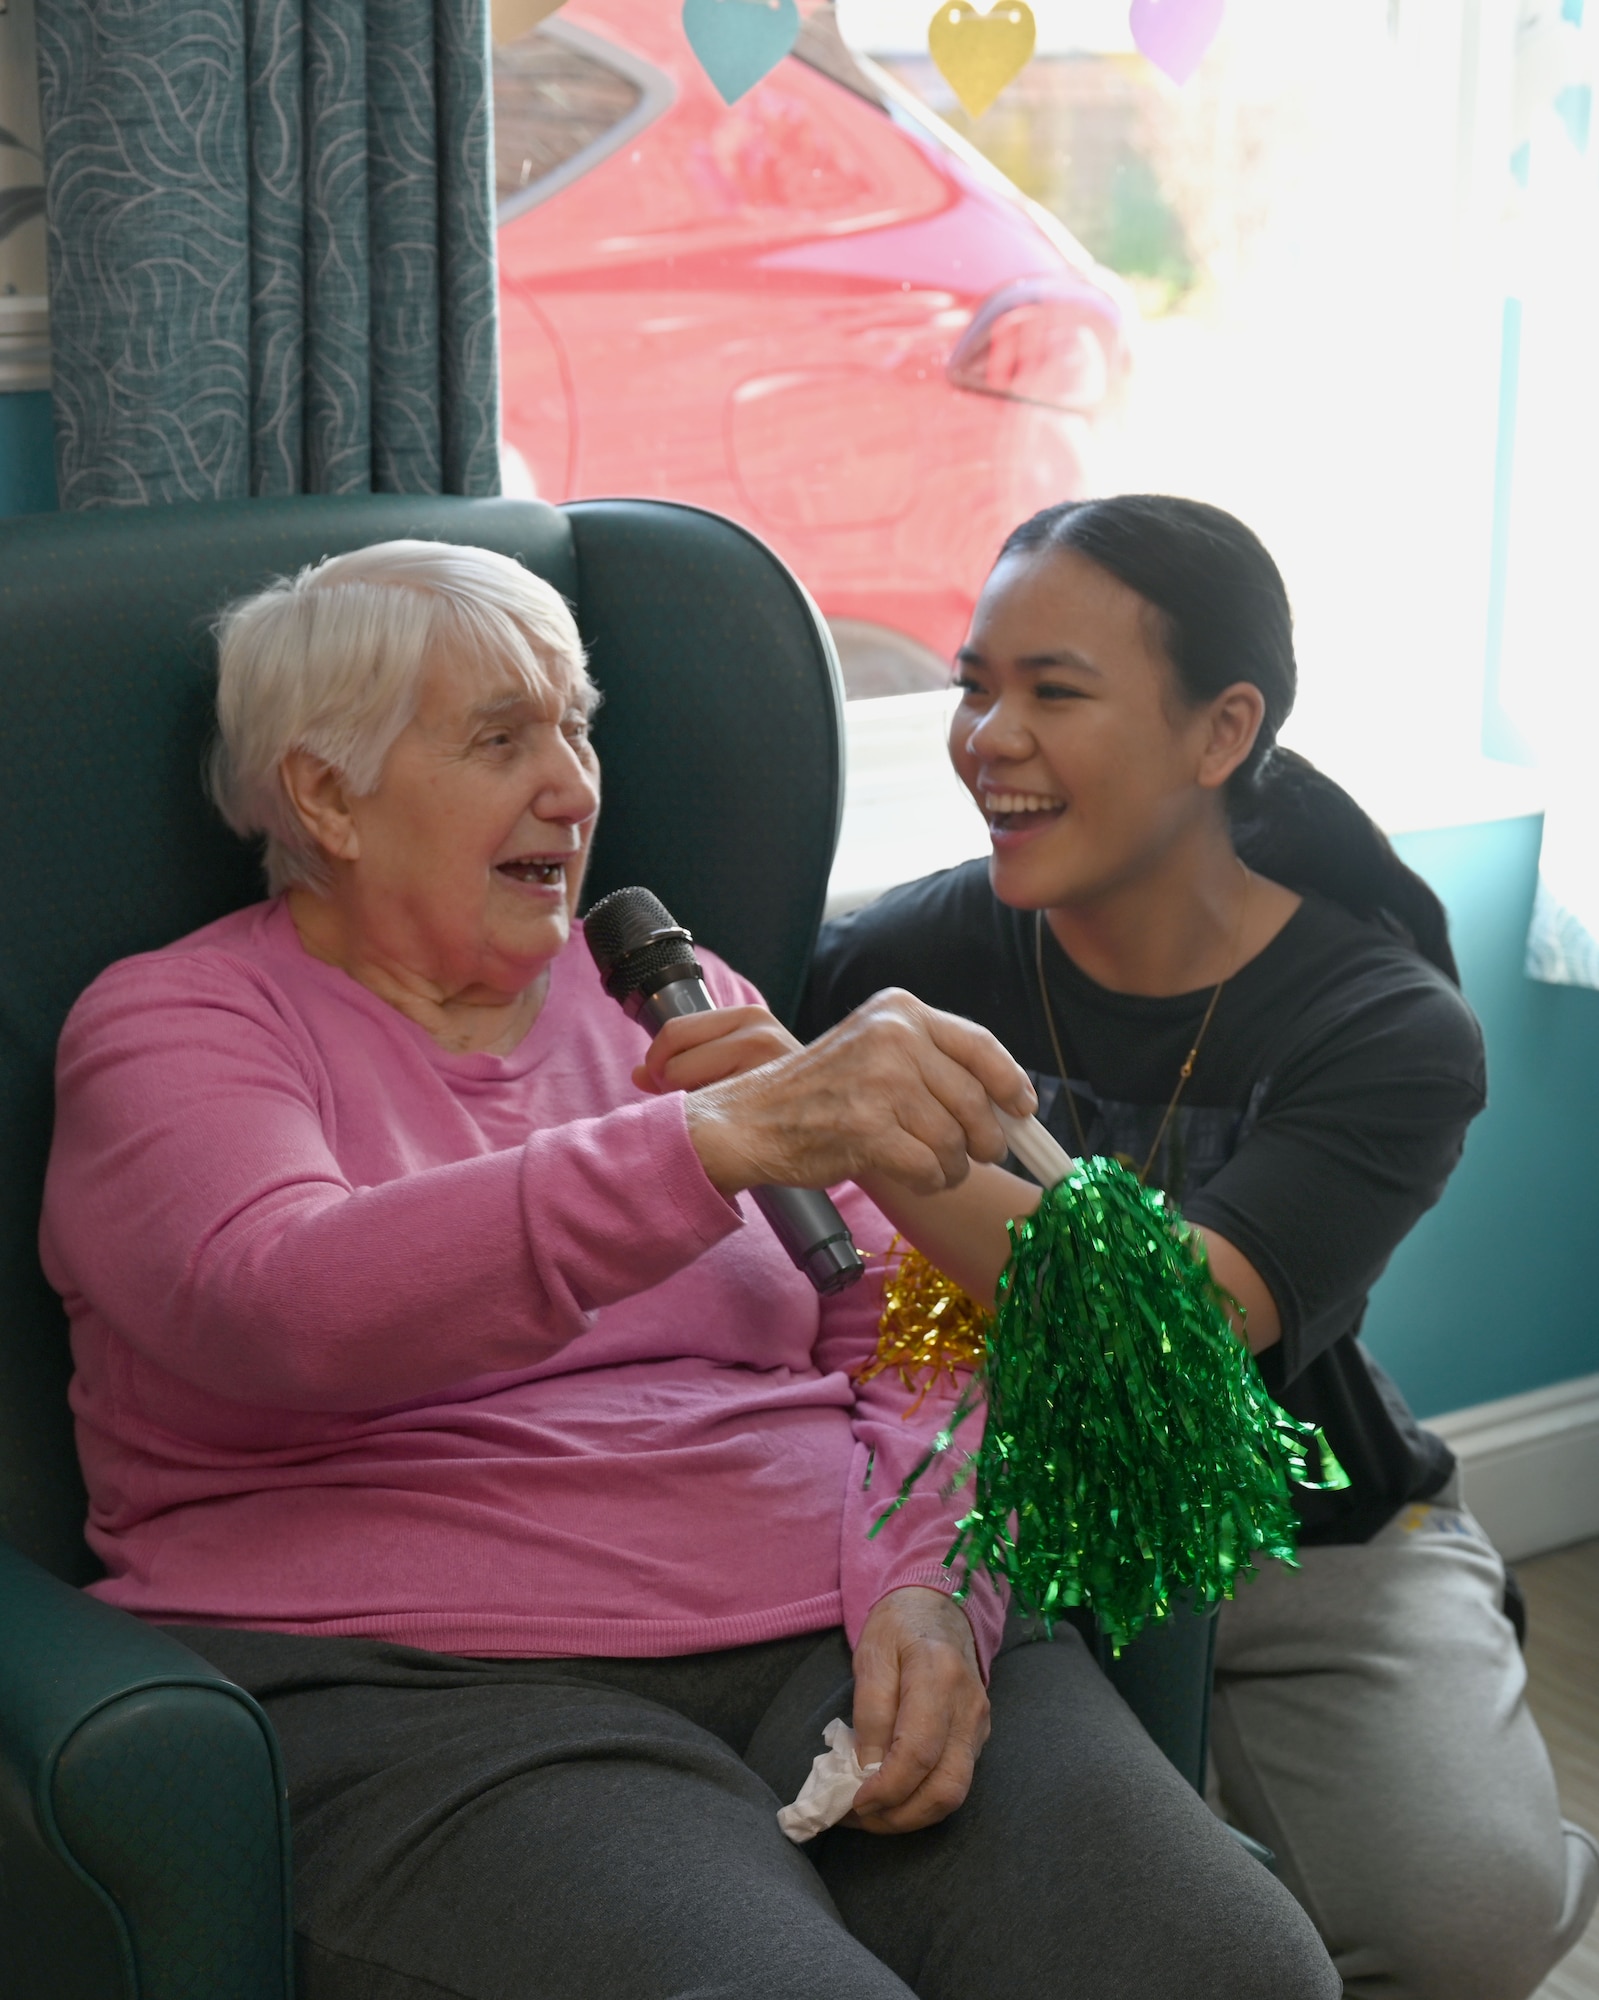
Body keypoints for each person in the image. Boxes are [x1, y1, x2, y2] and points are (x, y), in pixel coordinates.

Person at [40, 539, 1339, 2000]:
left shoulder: (685, 999)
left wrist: (928, 1583)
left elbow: (908, 1321)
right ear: (327, 797)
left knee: (1229, 1970)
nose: (574, 787)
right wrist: (706, 1146)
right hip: (435, 1688)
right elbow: (281, 1301)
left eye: (578, 726)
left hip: (833, 1618)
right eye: (500, 738)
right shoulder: (178, 1027)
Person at [799, 493, 1599, 2000]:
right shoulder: (899, 960)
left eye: (1056, 692)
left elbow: (1168, 1324)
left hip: (1295, 1530)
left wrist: (843, 1118)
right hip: (979, 1522)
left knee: (1469, 1923)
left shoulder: (1390, 1027)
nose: (990, 737)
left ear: (1222, 730)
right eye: (976, 685)